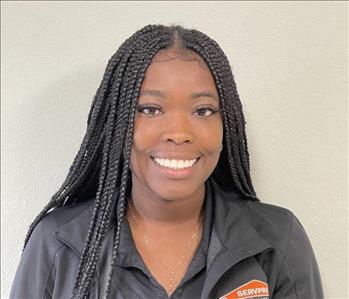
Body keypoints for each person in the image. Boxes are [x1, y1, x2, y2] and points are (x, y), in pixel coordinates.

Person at [10, 24, 324, 299]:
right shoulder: (58, 245)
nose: (178, 133)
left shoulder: (276, 242)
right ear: (117, 122)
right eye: (150, 109)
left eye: (203, 111)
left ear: (225, 124)